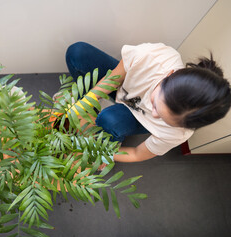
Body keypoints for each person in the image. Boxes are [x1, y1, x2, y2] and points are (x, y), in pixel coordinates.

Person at [65, 42, 231, 163]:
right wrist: (84, 104)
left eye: (163, 119)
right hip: (124, 85)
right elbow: (113, 80)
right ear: (169, 75)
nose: (153, 113)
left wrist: (98, 151)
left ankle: (110, 137)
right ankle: (90, 105)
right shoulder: (155, 58)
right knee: (78, 52)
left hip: (136, 117)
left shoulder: (178, 133)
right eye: (156, 104)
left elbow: (137, 153)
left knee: (109, 120)